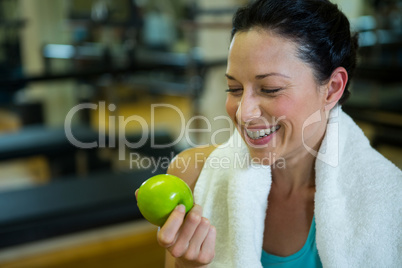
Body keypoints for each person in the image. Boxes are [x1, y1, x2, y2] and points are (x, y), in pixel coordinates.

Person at [136, 0, 402, 267]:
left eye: (270, 89)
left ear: (332, 88)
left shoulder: (390, 204)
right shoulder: (192, 176)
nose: (244, 113)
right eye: (234, 89)